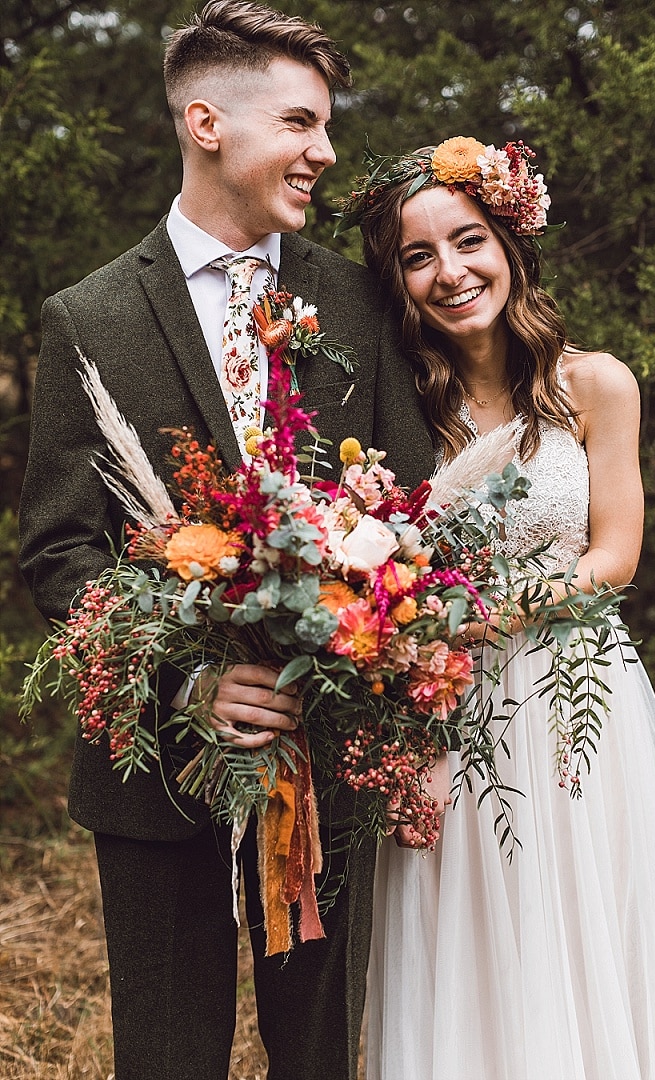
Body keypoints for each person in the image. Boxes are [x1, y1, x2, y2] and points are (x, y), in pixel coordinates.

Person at [17, 4, 434, 1079]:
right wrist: (191, 685)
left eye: (325, 125)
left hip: (334, 765)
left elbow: (415, 521)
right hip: (157, 784)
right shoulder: (89, 316)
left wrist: (361, 649)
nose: (325, 152)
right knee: (167, 1056)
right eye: (301, 123)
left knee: (326, 1056)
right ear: (208, 123)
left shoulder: (362, 301)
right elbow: (60, 554)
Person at [336, 135, 655, 1078]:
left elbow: (616, 556)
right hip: (442, 711)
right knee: (460, 930)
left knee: (585, 926)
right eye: (417, 257)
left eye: (468, 241)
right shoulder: (395, 413)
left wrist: (485, 616)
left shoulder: (594, 385)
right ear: (397, 280)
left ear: (509, 243)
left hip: (576, 700)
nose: (451, 273)